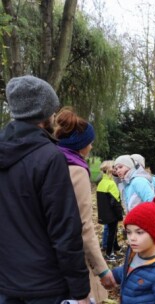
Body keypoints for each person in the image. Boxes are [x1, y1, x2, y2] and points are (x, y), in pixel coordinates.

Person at [0, 75, 91, 303]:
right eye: (53, 110)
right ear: (44, 113)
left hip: (5, 283)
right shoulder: (49, 158)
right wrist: (80, 290)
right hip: (44, 287)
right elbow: (65, 230)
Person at [54, 107, 116, 303]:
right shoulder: (76, 170)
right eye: (89, 141)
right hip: (70, 259)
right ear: (80, 145)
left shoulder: (51, 160)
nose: (91, 145)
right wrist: (102, 269)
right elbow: (83, 226)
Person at [112, 199, 155, 304]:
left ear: (154, 234)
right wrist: (111, 275)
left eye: (139, 232)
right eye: (129, 232)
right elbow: (130, 271)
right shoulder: (133, 254)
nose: (132, 238)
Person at [96, 160, 124, 261]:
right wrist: (120, 215)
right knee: (112, 233)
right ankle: (109, 254)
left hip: (105, 214)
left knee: (113, 231)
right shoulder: (111, 184)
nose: (115, 169)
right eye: (113, 167)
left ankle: (115, 247)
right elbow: (116, 202)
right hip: (112, 214)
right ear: (109, 170)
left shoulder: (101, 183)